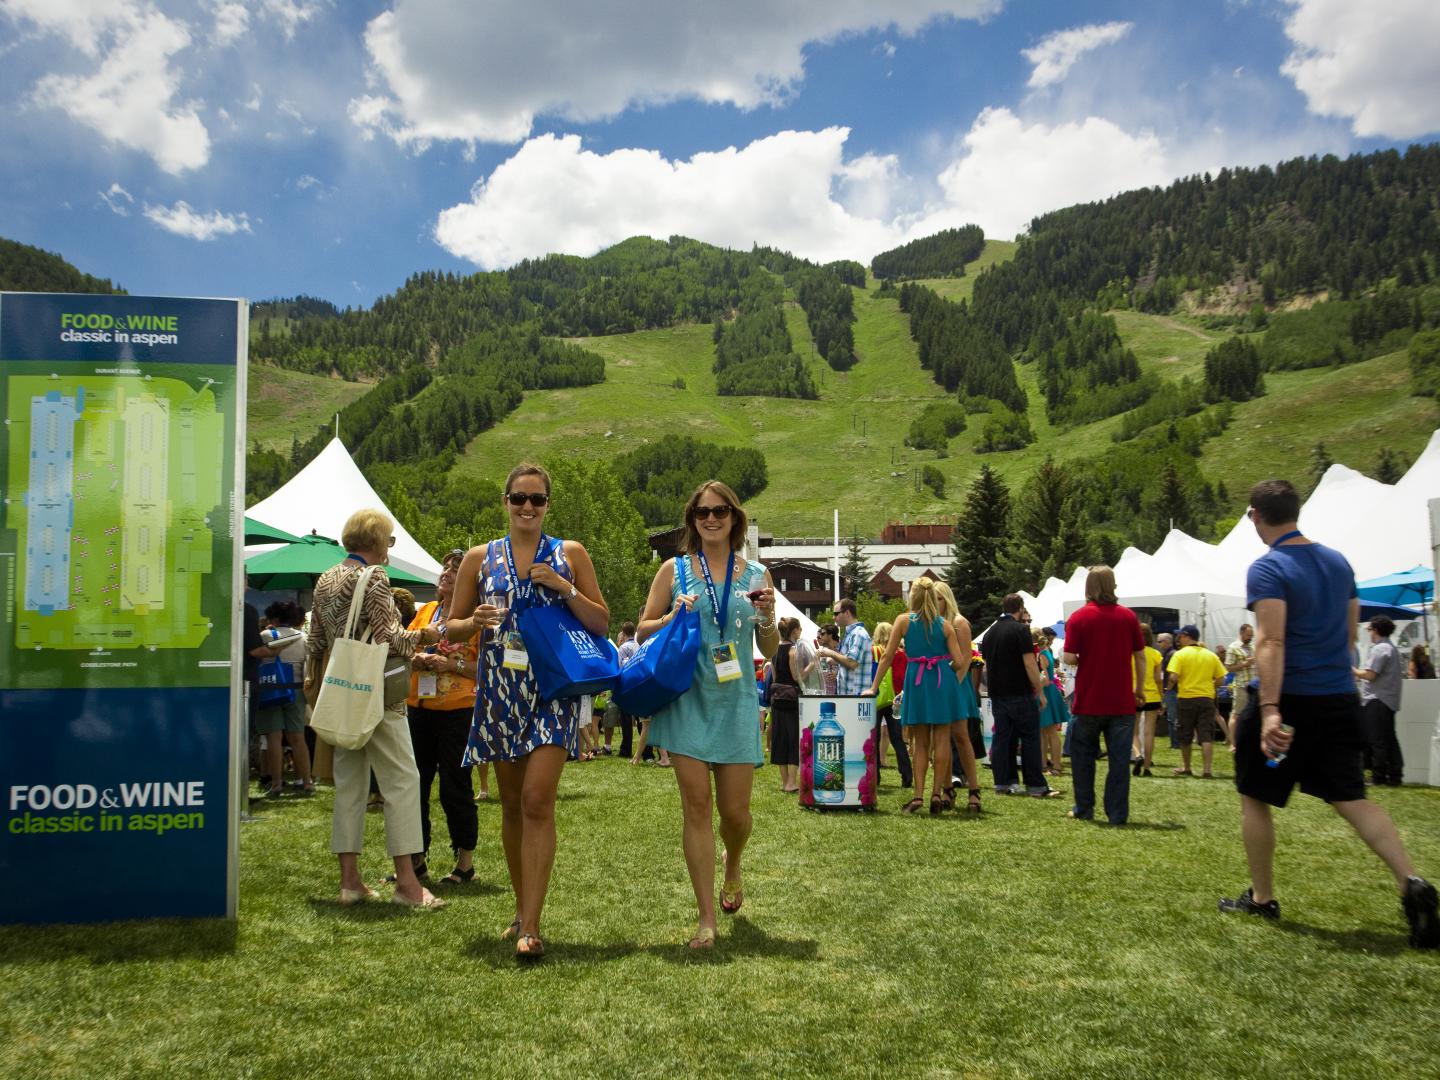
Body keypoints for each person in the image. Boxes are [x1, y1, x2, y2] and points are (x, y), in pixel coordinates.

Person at [1219, 479, 1437, 948]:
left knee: (1254, 795)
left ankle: (1262, 896)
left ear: (1256, 515)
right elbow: (1345, 634)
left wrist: (1272, 709)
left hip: (1290, 698)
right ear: (1296, 511)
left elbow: (1272, 640)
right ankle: (1411, 883)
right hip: (1338, 697)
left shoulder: (1268, 568)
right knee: (1353, 798)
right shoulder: (1339, 563)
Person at [448, 463, 611, 959]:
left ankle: (532, 927)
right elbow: (449, 627)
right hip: (499, 692)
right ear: (504, 501)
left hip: (553, 692)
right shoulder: (480, 559)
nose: (527, 507)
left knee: (539, 799)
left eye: (537, 499)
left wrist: (564, 587)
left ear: (548, 506)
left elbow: (602, 622)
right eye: (518, 497)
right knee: (514, 804)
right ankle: (521, 909)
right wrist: (470, 621)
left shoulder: (570, 553)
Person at [638, 480, 778, 949]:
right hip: (686, 700)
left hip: (736, 700)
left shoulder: (757, 574)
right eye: (702, 512)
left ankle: (732, 864)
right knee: (696, 806)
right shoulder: (674, 570)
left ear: (735, 518)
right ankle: (705, 919)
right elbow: (641, 631)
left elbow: (769, 647)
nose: (711, 518)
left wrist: (770, 618)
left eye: (720, 511)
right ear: (692, 519)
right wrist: (671, 616)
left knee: (735, 814)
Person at [306, 508, 443, 909]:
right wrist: (426, 634)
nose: (389, 549)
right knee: (402, 779)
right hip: (378, 691)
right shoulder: (375, 578)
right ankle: (408, 884)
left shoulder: (326, 579)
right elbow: (391, 638)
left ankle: (350, 881)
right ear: (377, 540)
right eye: (389, 541)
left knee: (349, 785)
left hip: (340, 690)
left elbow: (316, 641)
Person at [404, 548, 479, 885]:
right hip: (418, 707)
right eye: (445, 568)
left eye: (456, 569)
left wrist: (451, 664)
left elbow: (487, 668)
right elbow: (403, 647)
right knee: (413, 785)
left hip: (458, 711)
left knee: (454, 786)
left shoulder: (477, 619)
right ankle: (415, 861)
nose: (447, 573)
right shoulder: (427, 612)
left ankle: (464, 864)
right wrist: (417, 658)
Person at [867, 578, 967, 813]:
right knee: (942, 739)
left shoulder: (903, 621)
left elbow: (887, 656)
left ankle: (918, 796)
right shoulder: (944, 625)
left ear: (913, 596)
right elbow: (961, 660)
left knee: (920, 743)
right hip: (941, 681)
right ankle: (937, 793)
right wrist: (943, 668)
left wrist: (873, 687)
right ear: (933, 596)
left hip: (917, 680)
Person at [1062, 566, 1145, 825]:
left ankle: (1084, 808)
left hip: (1089, 700)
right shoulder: (1128, 617)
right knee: (1119, 763)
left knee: (1083, 760)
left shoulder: (1078, 618)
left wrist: (1085, 656)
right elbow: (1140, 657)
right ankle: (1117, 814)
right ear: (1113, 585)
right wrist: (1139, 689)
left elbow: (1068, 657)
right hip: (1121, 701)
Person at [980, 594, 1060, 798]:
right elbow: (1029, 663)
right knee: (1030, 738)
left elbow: (987, 667)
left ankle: (1003, 782)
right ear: (1021, 609)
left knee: (1003, 738)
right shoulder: (1021, 630)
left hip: (998, 693)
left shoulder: (990, 634)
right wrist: (1040, 692)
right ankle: (1035, 785)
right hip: (1020, 692)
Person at [255, 600, 314, 799]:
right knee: (298, 738)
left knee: (274, 738)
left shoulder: (264, 636)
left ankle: (277, 783)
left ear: (274, 618)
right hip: (295, 690)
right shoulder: (302, 637)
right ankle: (306, 782)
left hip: (269, 689)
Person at [934, 581, 982, 812]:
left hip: (956, 686)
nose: (936, 603)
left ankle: (974, 789)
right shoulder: (935, 624)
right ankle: (947, 788)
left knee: (961, 736)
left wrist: (952, 686)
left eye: (939, 598)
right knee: (941, 739)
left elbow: (965, 661)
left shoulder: (960, 623)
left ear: (947, 599)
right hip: (940, 685)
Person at [1167, 625, 1227, 778]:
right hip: (1206, 699)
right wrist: (1208, 685)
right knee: (1206, 735)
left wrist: (1168, 689)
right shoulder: (1211, 655)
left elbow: (1173, 677)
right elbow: (1221, 679)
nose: (1178, 639)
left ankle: (1187, 767)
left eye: (1180, 636)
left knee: (1185, 734)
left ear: (1187, 636)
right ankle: (1207, 770)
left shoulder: (1180, 655)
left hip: (1186, 699)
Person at [1355, 616, 1403, 787]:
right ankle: (1395, 775)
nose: (1368, 632)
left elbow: (1370, 675)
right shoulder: (1391, 648)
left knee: (1378, 740)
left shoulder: (1379, 649)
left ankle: (1379, 776)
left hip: (1378, 699)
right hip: (1389, 699)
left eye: (1369, 629)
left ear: (1375, 629)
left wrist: (1352, 670)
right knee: (1389, 738)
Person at [871, 621, 912, 790]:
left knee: (875, 738)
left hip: (877, 699)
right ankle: (907, 774)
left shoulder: (874, 651)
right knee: (898, 739)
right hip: (897, 699)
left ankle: (875, 776)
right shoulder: (901, 654)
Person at [769, 617, 803, 793]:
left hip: (777, 698)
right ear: (794, 630)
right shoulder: (793, 650)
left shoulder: (773, 651)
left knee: (780, 738)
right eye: (799, 629)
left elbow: (774, 677)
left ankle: (784, 783)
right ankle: (791, 782)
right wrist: (811, 665)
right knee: (793, 738)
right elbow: (796, 676)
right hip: (791, 699)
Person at [818, 598, 874, 695]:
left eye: (836, 614)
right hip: (849, 696)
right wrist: (833, 659)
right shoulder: (851, 633)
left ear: (847, 613)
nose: (833, 617)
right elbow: (848, 659)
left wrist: (830, 653)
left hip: (856, 696)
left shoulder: (858, 634)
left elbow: (852, 662)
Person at [1036, 627, 1070, 778]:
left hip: (1046, 693)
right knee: (1044, 732)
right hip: (1050, 692)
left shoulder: (1042, 655)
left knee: (1049, 732)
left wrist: (1036, 686)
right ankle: (1044, 764)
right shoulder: (1046, 652)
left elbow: (1044, 677)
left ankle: (1055, 765)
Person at [1131, 624, 1164, 777]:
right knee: (1149, 733)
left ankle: (1137, 755)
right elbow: (1158, 679)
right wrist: (1161, 697)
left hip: (1133, 694)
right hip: (1152, 695)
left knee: (1134, 731)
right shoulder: (1156, 654)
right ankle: (1147, 767)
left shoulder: (1129, 653)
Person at [612, 621, 639, 758]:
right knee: (642, 720)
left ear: (623, 633)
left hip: (627, 685)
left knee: (626, 719)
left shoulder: (623, 648)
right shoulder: (639, 644)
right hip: (640, 684)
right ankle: (647, 751)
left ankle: (626, 749)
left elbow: (622, 666)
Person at [1226, 623, 1256, 723]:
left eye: (1252, 635)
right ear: (1241, 633)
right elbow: (1228, 668)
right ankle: (1231, 738)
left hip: (1253, 686)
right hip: (1241, 686)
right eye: (1248, 635)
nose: (1250, 638)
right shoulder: (1233, 647)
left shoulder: (1252, 647)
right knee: (1237, 714)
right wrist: (1245, 664)